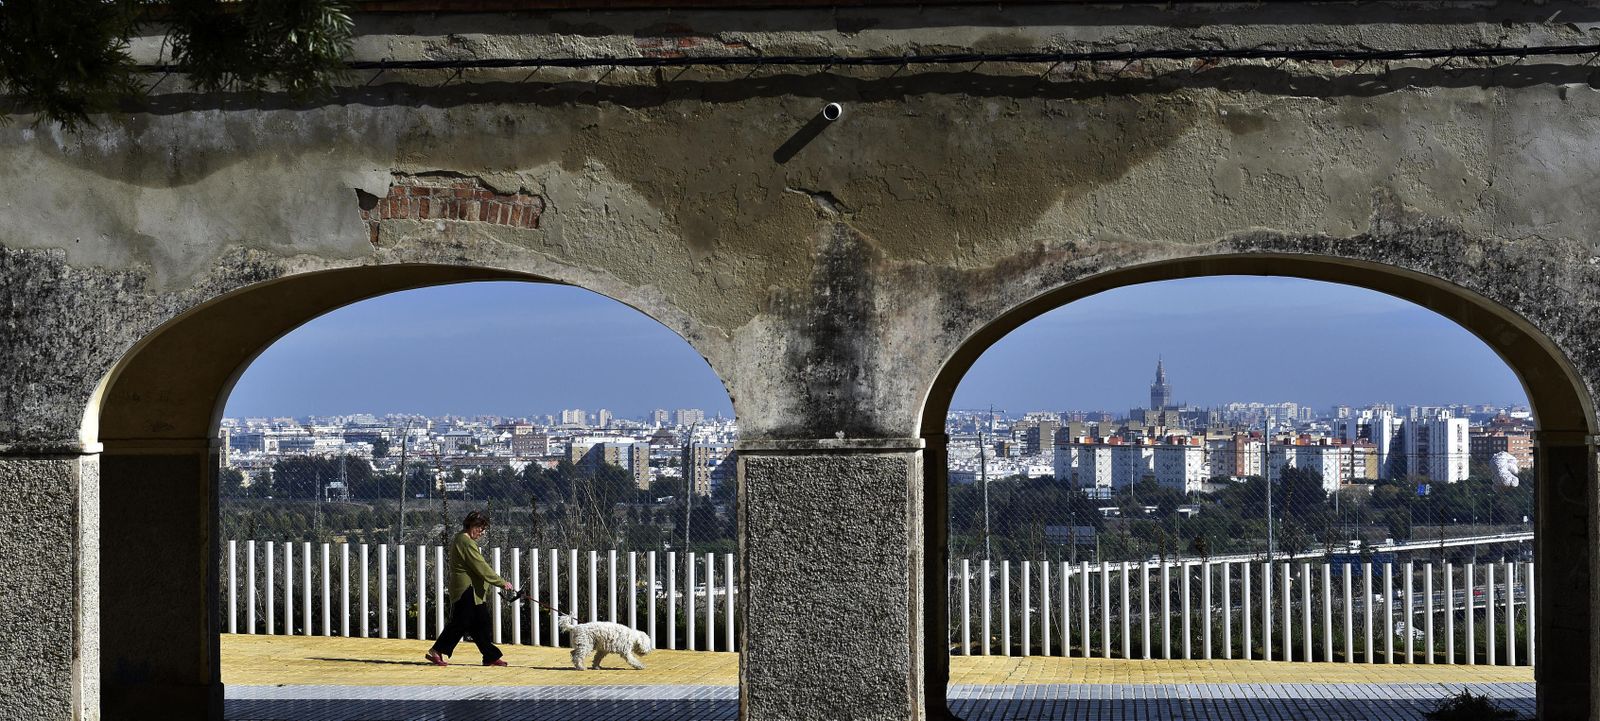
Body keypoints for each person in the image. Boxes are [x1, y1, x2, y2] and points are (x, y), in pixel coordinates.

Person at [425, 510, 512, 666]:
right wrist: (501, 582)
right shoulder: (466, 542)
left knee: (481, 622)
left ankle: (490, 656)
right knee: (461, 621)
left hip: (474, 591)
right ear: (472, 525)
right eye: (480, 528)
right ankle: (436, 650)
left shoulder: (463, 539)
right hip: (466, 589)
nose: (482, 533)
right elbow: (481, 566)